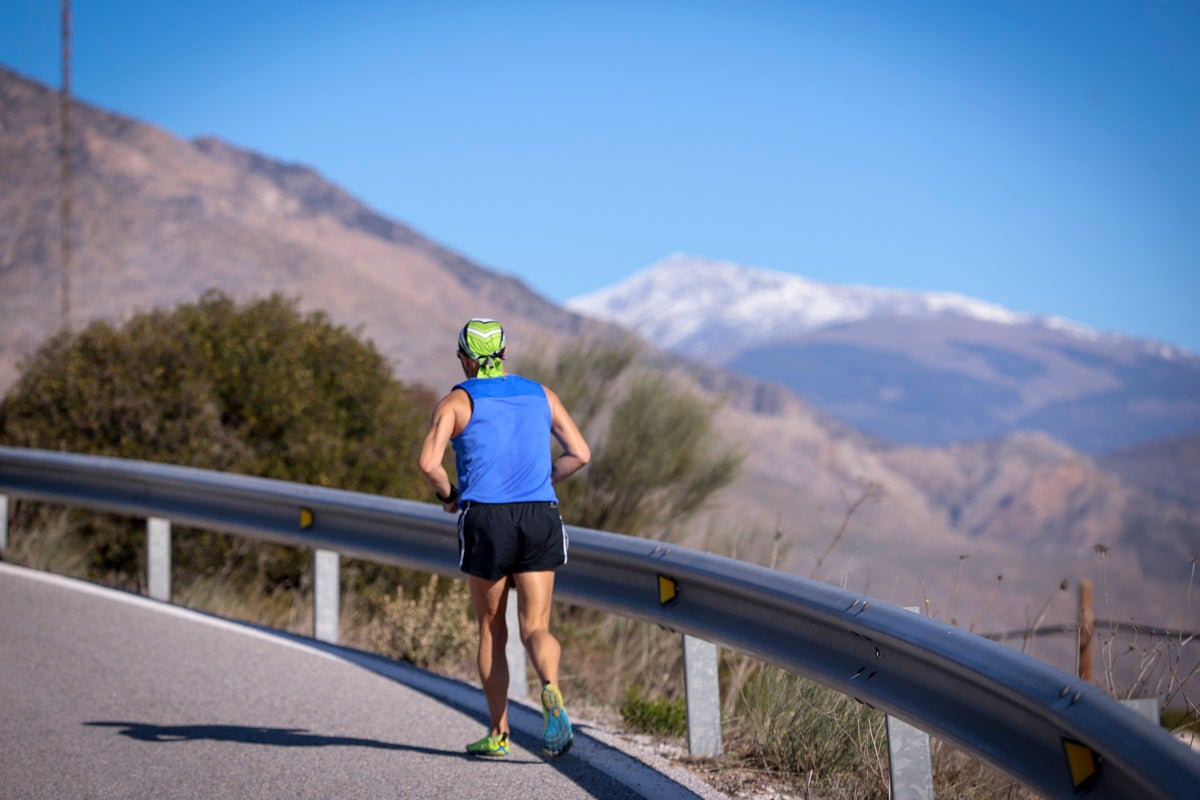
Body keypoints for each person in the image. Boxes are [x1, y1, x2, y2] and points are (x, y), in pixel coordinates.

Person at [418, 318, 591, 758]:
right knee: (536, 626)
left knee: (492, 629)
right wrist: (546, 479)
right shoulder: (540, 394)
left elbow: (428, 464)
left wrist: (450, 495)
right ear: (505, 352)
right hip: (539, 514)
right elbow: (581, 454)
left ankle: (499, 733)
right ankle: (550, 688)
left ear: (464, 358)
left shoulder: (457, 401)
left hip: (486, 519)